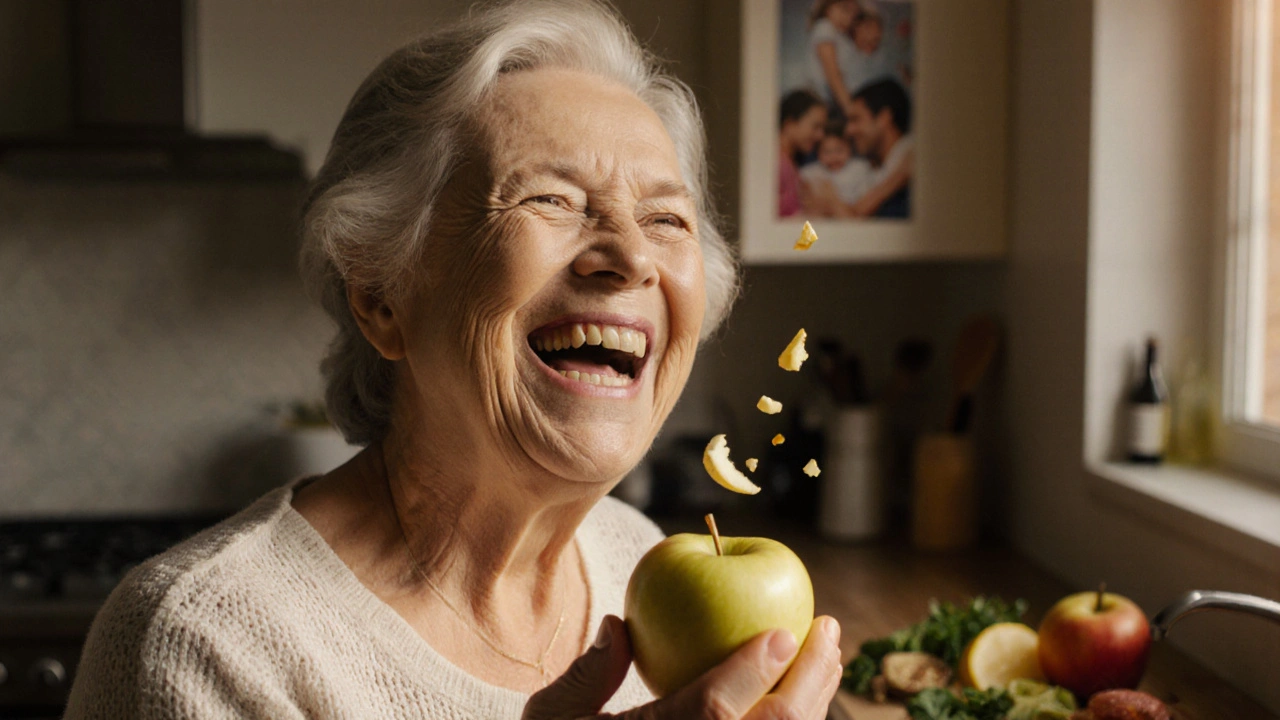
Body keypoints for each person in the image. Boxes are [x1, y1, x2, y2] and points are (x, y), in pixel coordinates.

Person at [63, 1, 844, 719]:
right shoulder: (202, 644)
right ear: (381, 295)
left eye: (664, 217)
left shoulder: (635, 557)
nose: (633, 256)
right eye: (552, 200)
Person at [842, 78, 913, 218]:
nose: (848, 130)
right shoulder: (879, 165)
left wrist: (831, 202)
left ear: (884, 118)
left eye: (856, 119)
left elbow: (857, 217)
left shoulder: (913, 153)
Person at [799, 125, 876, 214]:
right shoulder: (812, 171)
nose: (833, 157)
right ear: (818, 154)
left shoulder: (859, 168)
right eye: (827, 152)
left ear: (849, 149)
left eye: (839, 150)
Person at [778, 89, 828, 218]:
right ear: (790, 123)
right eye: (815, 126)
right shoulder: (778, 164)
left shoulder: (789, 163)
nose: (820, 135)